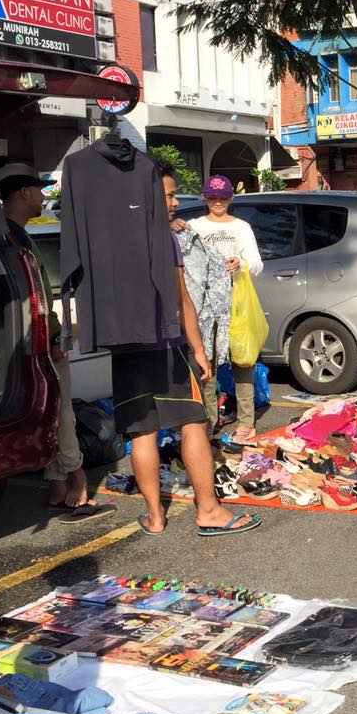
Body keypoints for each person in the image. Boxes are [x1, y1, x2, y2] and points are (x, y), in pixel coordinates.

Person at [117, 162, 261, 536]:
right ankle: (209, 510)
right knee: (193, 422)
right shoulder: (165, 239)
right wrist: (198, 348)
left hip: (127, 346)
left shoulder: (114, 236)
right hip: (168, 343)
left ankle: (155, 517)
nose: (176, 203)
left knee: (142, 431)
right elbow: (183, 300)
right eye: (168, 195)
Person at [0, 162, 117, 523]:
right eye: (39, 189)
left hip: (32, 342)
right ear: (23, 193)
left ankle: (57, 487)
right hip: (38, 343)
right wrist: (52, 335)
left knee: (53, 412)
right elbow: (34, 301)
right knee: (61, 412)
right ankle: (76, 483)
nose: (44, 196)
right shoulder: (12, 239)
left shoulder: (12, 235)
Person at [188, 175, 263, 442]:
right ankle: (209, 421)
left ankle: (246, 421)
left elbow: (257, 263)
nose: (217, 202)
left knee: (242, 361)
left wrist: (240, 263)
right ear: (204, 198)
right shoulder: (194, 226)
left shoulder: (241, 227)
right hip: (204, 306)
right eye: (212, 197)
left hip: (235, 302)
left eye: (222, 197)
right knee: (206, 363)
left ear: (231, 198)